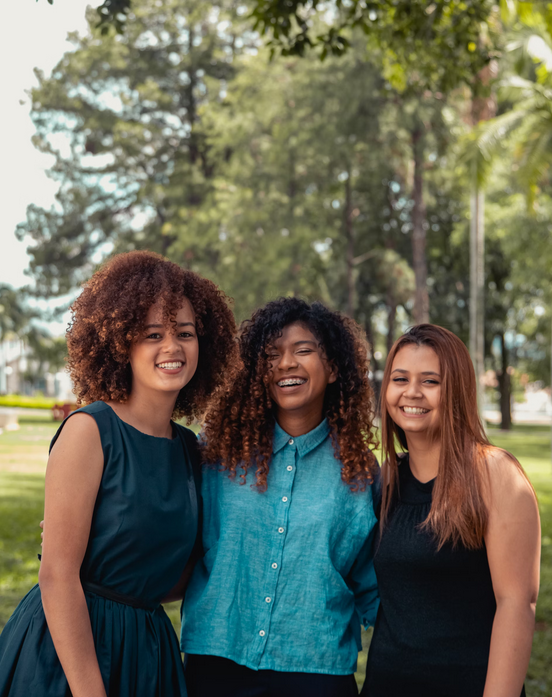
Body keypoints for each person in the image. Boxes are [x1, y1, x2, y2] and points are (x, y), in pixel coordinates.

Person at [0, 251, 237, 697]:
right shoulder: (90, 431)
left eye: (185, 333)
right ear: (120, 343)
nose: (173, 347)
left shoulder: (190, 449)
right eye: (153, 334)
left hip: (147, 649)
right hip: (70, 651)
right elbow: (57, 576)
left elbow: (170, 576)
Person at [181, 297, 381, 697]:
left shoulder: (360, 472)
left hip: (316, 669)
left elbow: (375, 581)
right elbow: (166, 525)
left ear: (335, 367)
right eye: (272, 354)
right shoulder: (216, 455)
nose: (286, 363)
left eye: (303, 350)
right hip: (217, 661)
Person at [362, 324, 541, 697]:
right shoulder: (387, 481)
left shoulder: (494, 474)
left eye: (430, 381)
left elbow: (516, 604)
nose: (412, 392)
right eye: (400, 379)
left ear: (456, 390)